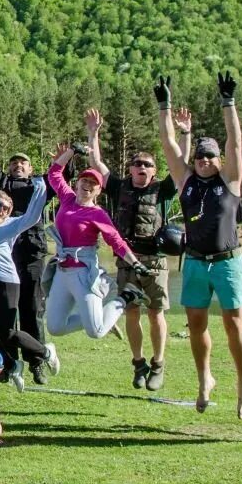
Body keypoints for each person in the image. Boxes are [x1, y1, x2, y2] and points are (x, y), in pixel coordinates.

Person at [155, 72, 242, 418]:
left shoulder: (230, 180)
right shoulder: (186, 182)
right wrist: (164, 105)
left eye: (210, 156)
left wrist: (229, 103)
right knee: (196, 324)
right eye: (200, 156)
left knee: (234, 323)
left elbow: (235, 142)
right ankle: (204, 379)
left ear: (219, 161)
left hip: (228, 261)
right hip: (195, 262)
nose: (204, 160)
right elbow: (168, 143)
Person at [84, 107, 190, 391]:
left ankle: (158, 363)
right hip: (127, 261)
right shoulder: (119, 187)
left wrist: (185, 134)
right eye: (137, 163)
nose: (142, 168)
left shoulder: (163, 190)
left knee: (156, 313)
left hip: (155, 261)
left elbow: (181, 163)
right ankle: (138, 363)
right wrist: (93, 133)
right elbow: (97, 162)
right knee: (130, 312)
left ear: (154, 170)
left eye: (147, 164)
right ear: (130, 168)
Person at [0, 105, 65, 384]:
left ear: (31, 169)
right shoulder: (2, 186)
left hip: (30, 252)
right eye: (14, 162)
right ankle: (9, 363)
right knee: (1, 319)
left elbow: (59, 182)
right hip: (3, 256)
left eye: (23, 163)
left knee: (31, 309)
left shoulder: (38, 185)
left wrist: (65, 160)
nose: (18, 165)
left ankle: (37, 362)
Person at [43, 141, 152, 342]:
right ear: (77, 183)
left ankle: (126, 296)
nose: (87, 185)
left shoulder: (97, 213)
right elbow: (54, 173)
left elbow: (115, 241)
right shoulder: (67, 198)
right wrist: (72, 151)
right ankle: (102, 318)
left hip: (84, 272)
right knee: (55, 327)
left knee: (96, 331)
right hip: (61, 270)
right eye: (84, 180)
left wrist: (135, 263)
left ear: (98, 191)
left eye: (93, 183)